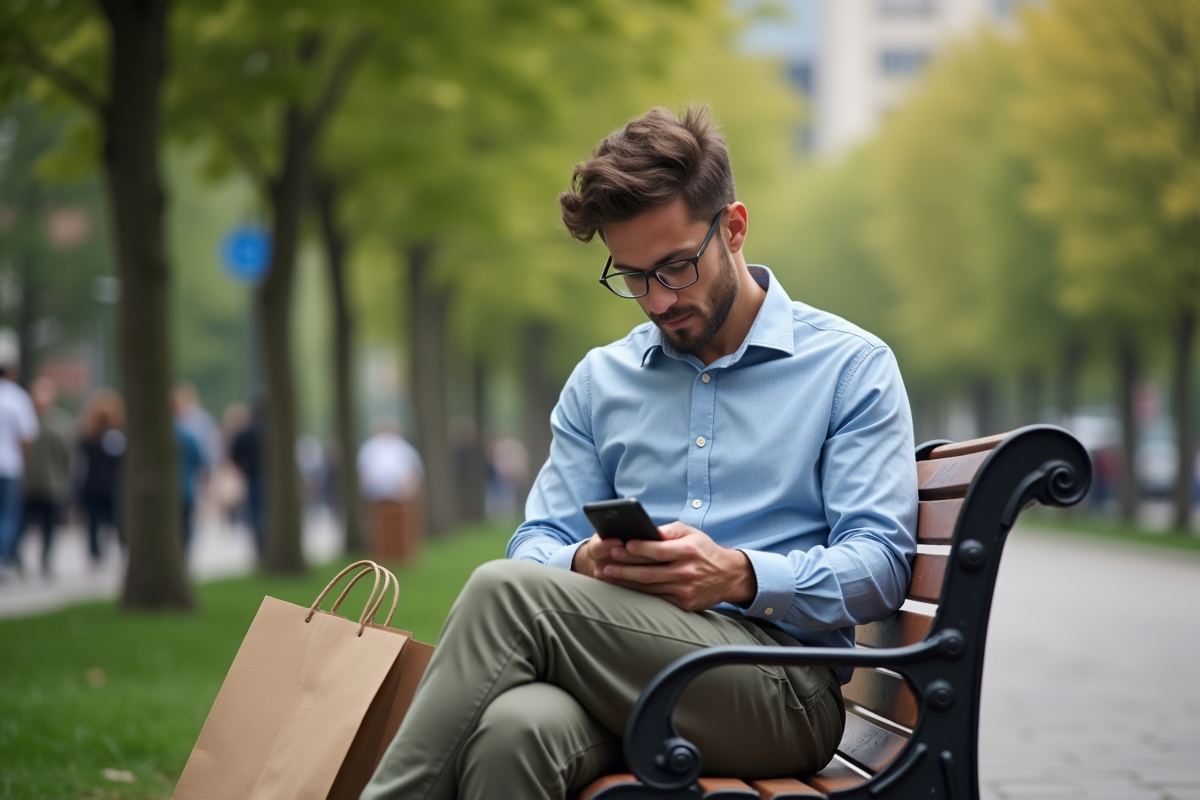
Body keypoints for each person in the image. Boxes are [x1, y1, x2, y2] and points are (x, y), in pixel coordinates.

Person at [362, 106, 917, 800]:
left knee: (505, 595)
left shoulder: (849, 367)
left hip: (781, 688)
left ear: (735, 228)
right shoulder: (602, 380)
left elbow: (880, 565)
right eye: (631, 277)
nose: (656, 299)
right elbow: (536, 540)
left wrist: (740, 575)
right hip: (623, 664)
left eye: (676, 267)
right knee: (514, 729)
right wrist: (584, 560)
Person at [20, 377, 73, 576]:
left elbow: (67, 455)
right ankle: (28, 560)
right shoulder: (59, 423)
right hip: (42, 483)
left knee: (40, 525)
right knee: (34, 525)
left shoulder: (57, 422)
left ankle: (41, 561)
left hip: (43, 483)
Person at [76, 389, 125, 566]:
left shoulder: (88, 435)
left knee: (94, 522)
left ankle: (95, 553)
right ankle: (117, 550)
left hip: (93, 485)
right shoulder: (119, 433)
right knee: (116, 521)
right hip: (113, 485)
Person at [0, 363, 38, 576]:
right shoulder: (17, 398)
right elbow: (27, 436)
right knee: (7, 515)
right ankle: (3, 558)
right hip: (10, 465)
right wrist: (24, 459)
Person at [172, 390, 207, 559]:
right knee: (184, 529)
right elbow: (201, 462)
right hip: (184, 490)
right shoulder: (186, 436)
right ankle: (181, 558)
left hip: (161, 495)